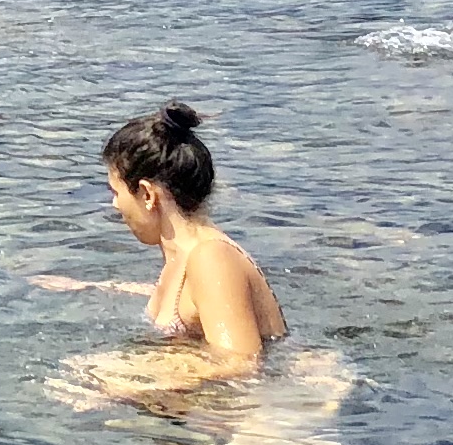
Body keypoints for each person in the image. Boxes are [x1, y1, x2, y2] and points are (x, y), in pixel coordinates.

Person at [35, 101, 284, 386]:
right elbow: (197, 306)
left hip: (259, 423)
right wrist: (91, 287)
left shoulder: (211, 259)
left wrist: (116, 378)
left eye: (115, 192)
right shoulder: (186, 257)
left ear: (147, 194)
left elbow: (242, 363)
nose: (115, 205)